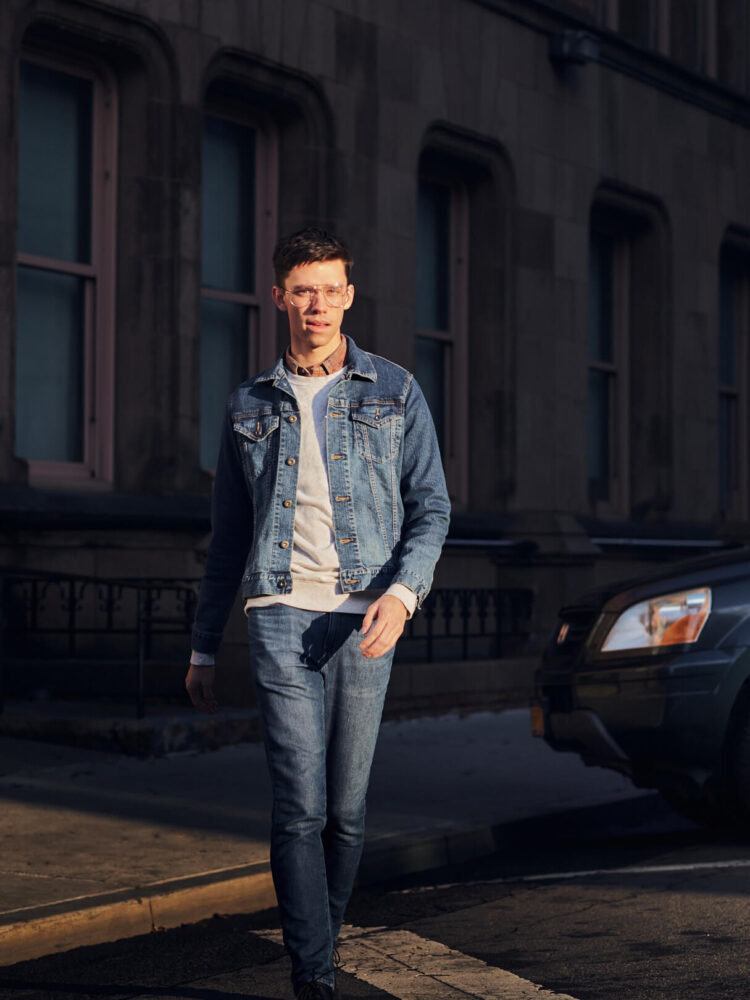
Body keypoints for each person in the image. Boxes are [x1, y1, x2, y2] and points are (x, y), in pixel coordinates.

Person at [185, 227, 450, 999]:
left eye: (331, 289)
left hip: (369, 619)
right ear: (279, 296)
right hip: (279, 615)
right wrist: (204, 647)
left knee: (347, 812)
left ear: (350, 296)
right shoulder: (248, 404)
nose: (318, 305)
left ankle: (320, 944)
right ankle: (315, 976)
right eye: (303, 289)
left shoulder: (395, 390)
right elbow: (228, 535)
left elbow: (431, 509)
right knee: (298, 807)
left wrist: (402, 597)